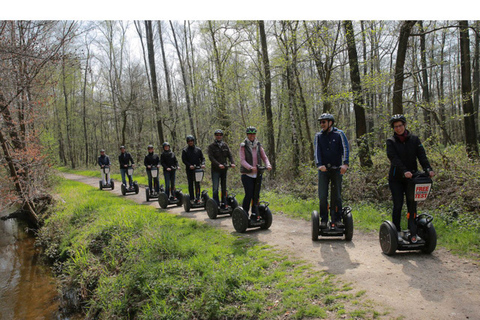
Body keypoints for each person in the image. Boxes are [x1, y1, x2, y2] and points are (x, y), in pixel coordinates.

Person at [386, 114, 435, 243]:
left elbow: (421, 155)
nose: (398, 128)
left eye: (400, 125)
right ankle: (395, 231)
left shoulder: (414, 139)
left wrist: (428, 169)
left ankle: (412, 230)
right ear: (393, 128)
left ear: (404, 125)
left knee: (412, 205)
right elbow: (393, 158)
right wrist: (404, 171)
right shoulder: (391, 141)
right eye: (395, 127)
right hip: (396, 178)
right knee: (398, 204)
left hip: (412, 178)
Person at [314, 113, 350, 229]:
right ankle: (324, 219)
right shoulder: (319, 136)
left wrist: (345, 164)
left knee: (337, 196)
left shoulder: (339, 134)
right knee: (323, 196)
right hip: (323, 170)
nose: (321, 124)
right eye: (320, 122)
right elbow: (317, 152)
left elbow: (345, 149)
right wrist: (319, 165)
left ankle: (337, 219)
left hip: (337, 169)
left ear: (330, 122)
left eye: (323, 122)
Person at [239, 126, 272, 221]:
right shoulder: (243, 145)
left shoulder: (258, 145)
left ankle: (255, 214)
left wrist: (268, 165)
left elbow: (264, 157)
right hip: (247, 174)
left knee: (256, 195)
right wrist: (250, 168)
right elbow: (242, 160)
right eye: (250, 134)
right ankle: (244, 215)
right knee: (249, 194)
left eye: (253, 133)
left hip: (257, 174)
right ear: (247, 135)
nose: (252, 135)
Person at [208, 129, 236, 208]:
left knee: (224, 187)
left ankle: (224, 202)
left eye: (220, 135)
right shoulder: (211, 146)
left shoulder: (225, 145)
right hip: (215, 170)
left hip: (224, 169)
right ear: (215, 136)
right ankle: (215, 204)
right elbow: (211, 157)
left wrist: (232, 162)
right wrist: (218, 165)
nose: (219, 136)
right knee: (215, 187)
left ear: (222, 136)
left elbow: (230, 155)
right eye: (217, 135)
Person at [182, 135, 205, 202]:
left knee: (197, 183)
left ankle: (198, 198)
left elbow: (202, 158)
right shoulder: (185, 150)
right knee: (190, 184)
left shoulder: (198, 150)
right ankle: (191, 198)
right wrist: (189, 165)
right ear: (187, 142)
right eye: (189, 141)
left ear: (193, 141)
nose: (190, 142)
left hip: (198, 169)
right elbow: (184, 160)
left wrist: (203, 164)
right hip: (189, 170)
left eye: (191, 141)